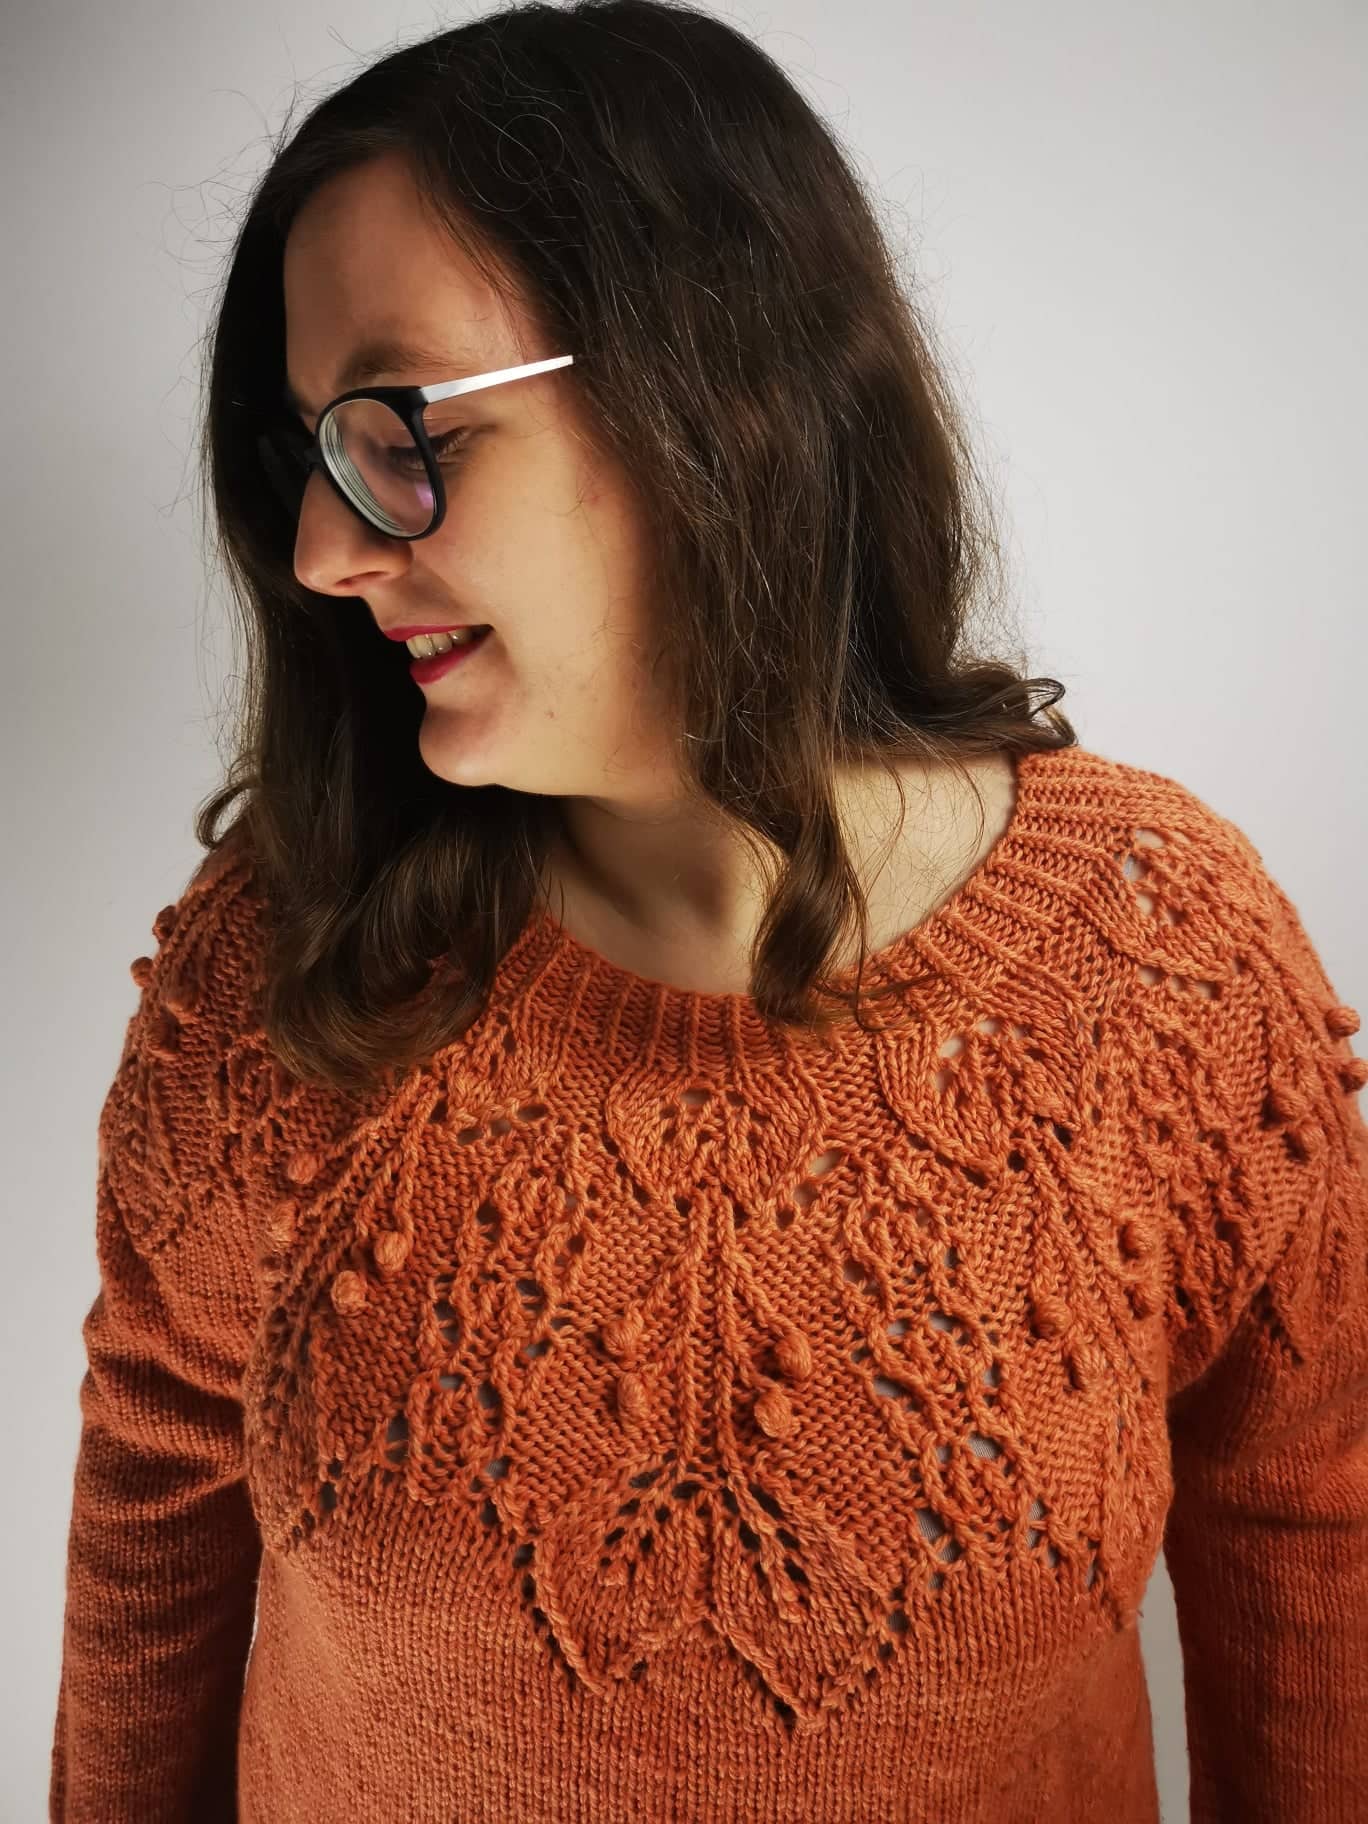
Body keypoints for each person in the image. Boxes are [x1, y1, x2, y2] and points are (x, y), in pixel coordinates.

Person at [50, 2, 1367, 1820]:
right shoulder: (291, 966)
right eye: (309, 460)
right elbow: (153, 1500)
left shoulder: (1163, 970)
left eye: (397, 430)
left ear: (710, 386)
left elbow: (1316, 1533)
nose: (326, 554)